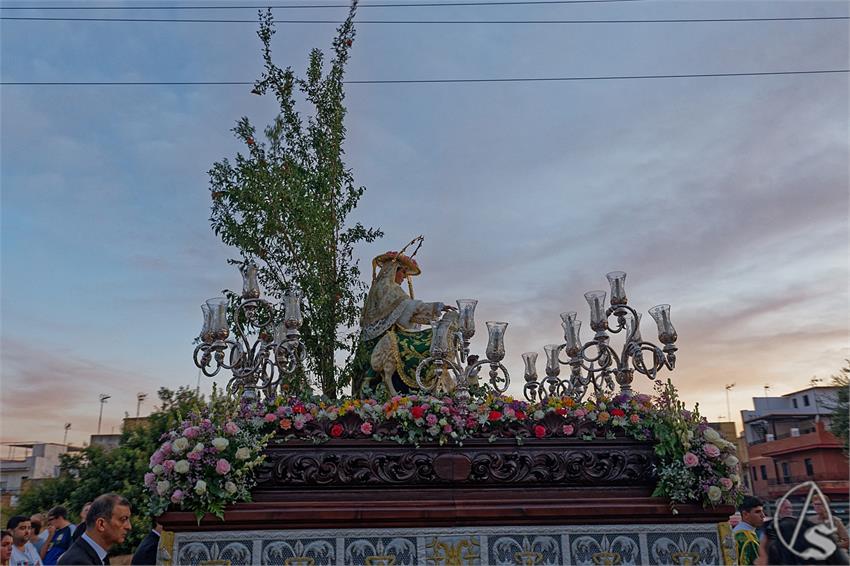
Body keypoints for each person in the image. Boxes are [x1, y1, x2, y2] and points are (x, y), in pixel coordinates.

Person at [352, 238, 456, 397]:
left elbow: (409, 313)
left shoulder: (387, 289)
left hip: (388, 337)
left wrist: (435, 312)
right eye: (402, 272)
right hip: (384, 340)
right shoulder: (386, 288)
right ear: (393, 270)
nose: (404, 277)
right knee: (429, 340)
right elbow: (408, 309)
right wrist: (438, 307)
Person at [58, 494, 132, 566]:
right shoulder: (77, 562)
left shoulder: (98, 556)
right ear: (101, 524)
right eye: (123, 519)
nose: (129, 527)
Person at [734, 496, 765, 565]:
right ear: (745, 514)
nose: (763, 515)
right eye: (757, 512)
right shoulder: (748, 538)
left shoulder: (736, 531)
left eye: (762, 511)